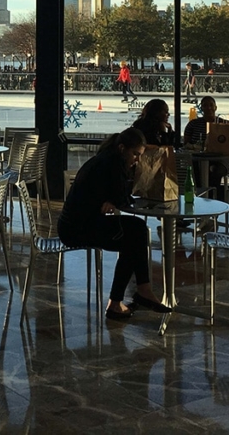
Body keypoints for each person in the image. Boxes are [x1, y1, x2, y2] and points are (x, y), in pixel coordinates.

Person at [58, 128, 168, 321]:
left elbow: (116, 195)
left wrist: (112, 200)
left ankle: (133, 295)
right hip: (78, 229)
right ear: (122, 148)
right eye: (135, 154)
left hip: (78, 224)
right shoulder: (111, 163)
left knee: (136, 234)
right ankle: (130, 296)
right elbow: (122, 197)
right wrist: (114, 199)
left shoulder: (106, 159)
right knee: (135, 234)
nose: (137, 160)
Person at [182, 96, 229, 189]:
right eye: (205, 105)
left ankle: (210, 195)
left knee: (216, 171)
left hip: (222, 160)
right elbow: (185, 145)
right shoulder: (193, 124)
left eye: (211, 105)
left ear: (215, 107)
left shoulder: (226, 125)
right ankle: (204, 194)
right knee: (194, 171)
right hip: (197, 160)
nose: (208, 108)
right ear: (201, 108)